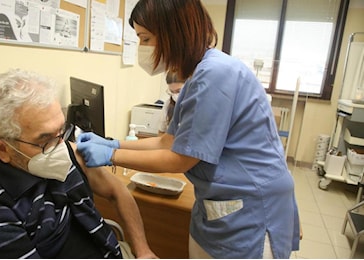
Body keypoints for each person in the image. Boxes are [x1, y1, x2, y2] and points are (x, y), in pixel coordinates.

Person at [76, 0, 300, 258]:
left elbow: (181, 158)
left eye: (146, 38)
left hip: (250, 205)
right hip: (219, 204)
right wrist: (114, 143)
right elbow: (168, 142)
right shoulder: (195, 76)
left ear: (174, 32)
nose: (142, 48)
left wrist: (111, 157)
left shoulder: (215, 74)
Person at [0, 69, 157, 258]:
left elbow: (116, 191)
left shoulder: (60, 149)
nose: (61, 146)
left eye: (61, 131)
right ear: (2, 149)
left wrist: (143, 251)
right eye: (45, 139)